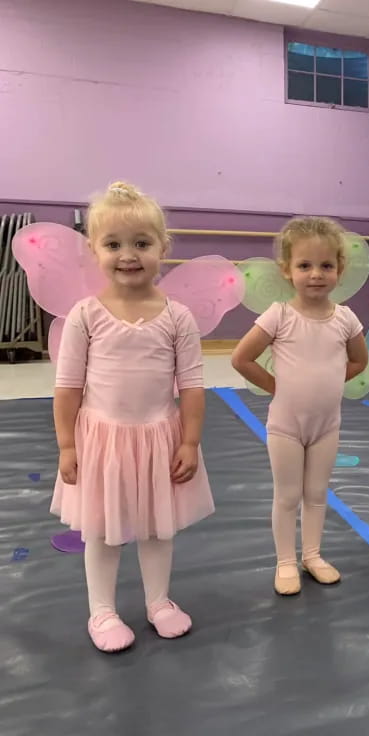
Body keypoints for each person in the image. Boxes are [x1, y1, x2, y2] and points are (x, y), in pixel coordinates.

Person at [53, 181, 215, 652]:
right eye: (114, 244)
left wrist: (189, 441)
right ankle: (101, 611)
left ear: (163, 248)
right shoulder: (86, 315)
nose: (129, 255)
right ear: (94, 251)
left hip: (158, 438)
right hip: (102, 440)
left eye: (142, 244)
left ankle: (158, 601)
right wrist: (67, 444)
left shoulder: (177, 317)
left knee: (155, 525)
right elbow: (68, 388)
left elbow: (191, 386)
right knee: (102, 530)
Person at [232, 217, 368, 595]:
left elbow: (358, 362)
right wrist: (280, 387)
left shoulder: (345, 318)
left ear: (339, 269)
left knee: (318, 493)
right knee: (288, 495)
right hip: (286, 424)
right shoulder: (279, 315)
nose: (316, 275)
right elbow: (242, 359)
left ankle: (312, 554)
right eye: (305, 266)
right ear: (287, 270)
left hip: (327, 424)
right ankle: (286, 561)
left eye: (326, 266)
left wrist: (326, 382)